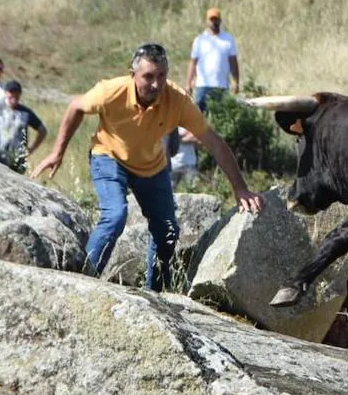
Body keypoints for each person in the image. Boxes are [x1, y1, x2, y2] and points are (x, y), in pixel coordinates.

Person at [31, 44, 264, 291]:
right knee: (116, 215)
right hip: (109, 157)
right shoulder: (111, 91)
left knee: (167, 230)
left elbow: (215, 143)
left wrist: (240, 189)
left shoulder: (178, 101)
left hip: (151, 166)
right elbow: (76, 107)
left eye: (161, 75)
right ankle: (80, 284)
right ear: (133, 75)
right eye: (148, 76)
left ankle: (155, 294)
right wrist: (58, 152)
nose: (155, 84)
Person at [186, 8, 240, 112]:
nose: (214, 22)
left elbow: (233, 62)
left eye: (216, 19)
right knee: (199, 117)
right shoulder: (199, 40)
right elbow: (193, 63)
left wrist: (236, 81)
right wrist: (188, 84)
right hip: (203, 86)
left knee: (221, 117)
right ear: (207, 21)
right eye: (211, 19)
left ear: (220, 21)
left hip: (221, 86)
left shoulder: (228, 39)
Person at [0, 80, 47, 172]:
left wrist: (31, 149)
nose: (14, 95)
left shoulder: (26, 113)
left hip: (17, 159)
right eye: (11, 92)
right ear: (6, 93)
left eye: (16, 92)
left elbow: (42, 130)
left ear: (20, 93)